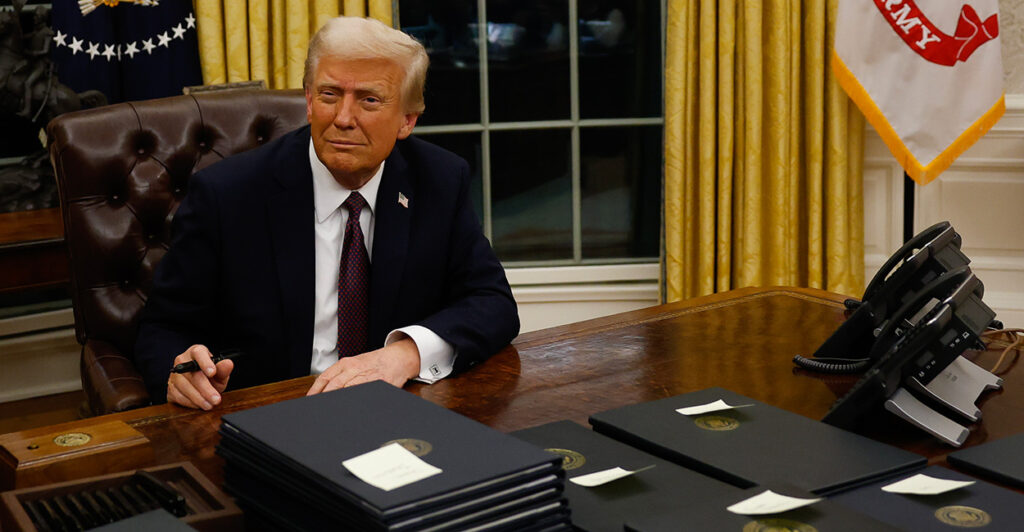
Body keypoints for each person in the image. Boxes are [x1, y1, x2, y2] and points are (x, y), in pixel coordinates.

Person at [134, 16, 519, 410]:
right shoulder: (228, 194)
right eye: (330, 94)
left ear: (407, 120)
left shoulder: (438, 180)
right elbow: (163, 328)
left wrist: (404, 354)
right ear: (308, 100)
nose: (343, 118)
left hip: (398, 406)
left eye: (369, 99)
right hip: (270, 412)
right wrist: (177, 372)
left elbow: (493, 303)